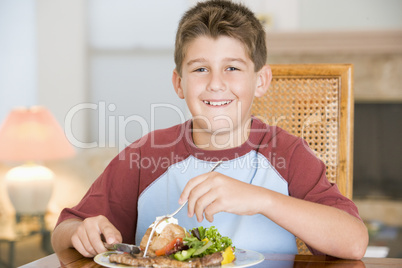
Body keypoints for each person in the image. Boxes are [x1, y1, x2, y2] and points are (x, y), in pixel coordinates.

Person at [51, 0, 368, 260]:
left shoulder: (287, 153)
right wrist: (83, 231)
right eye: (200, 69)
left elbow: (353, 243)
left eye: (232, 68)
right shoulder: (145, 154)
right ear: (179, 83)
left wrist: (263, 200)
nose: (216, 84)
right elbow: (66, 229)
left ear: (261, 81)